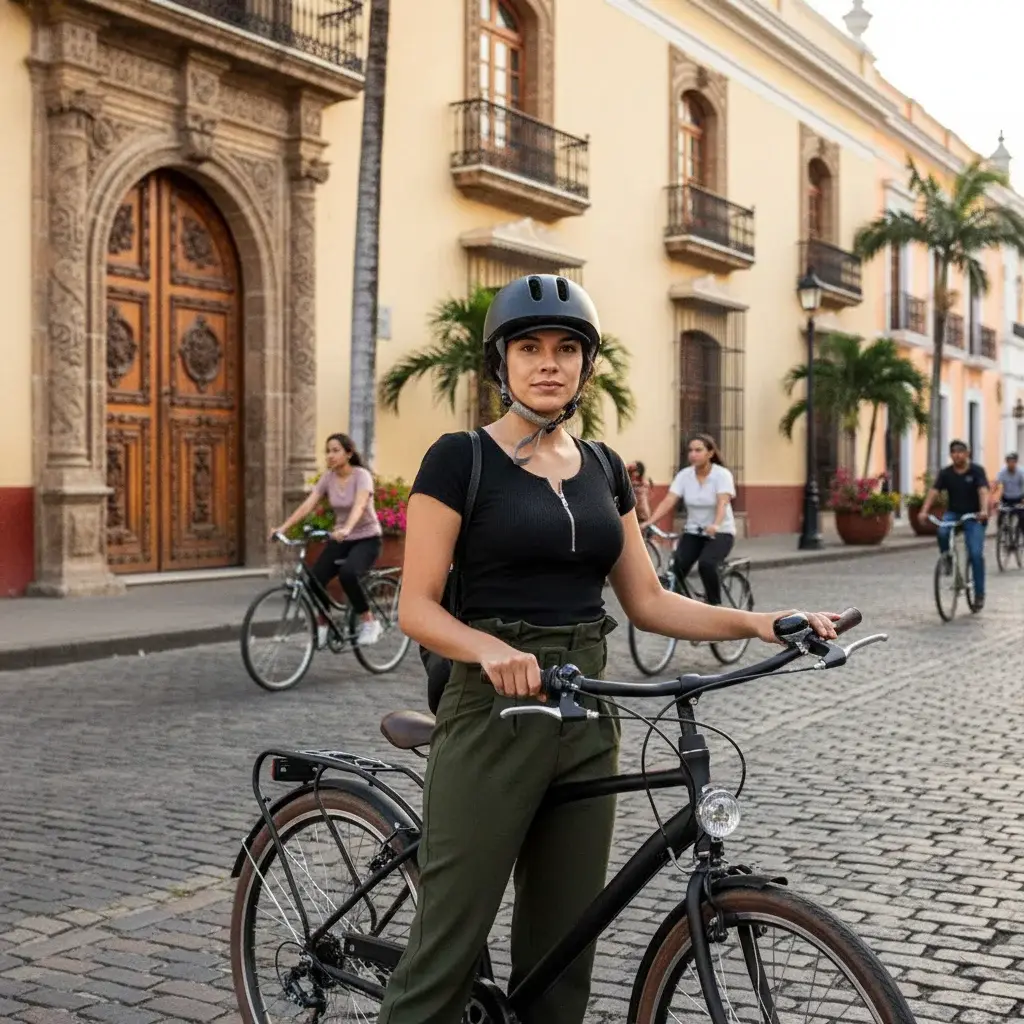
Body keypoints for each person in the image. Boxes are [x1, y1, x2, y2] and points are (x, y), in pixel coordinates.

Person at [377, 273, 839, 1024]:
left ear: (587, 366)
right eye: (529, 347)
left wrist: (765, 621)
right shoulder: (459, 460)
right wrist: (490, 649)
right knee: (444, 958)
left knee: (564, 954)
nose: (548, 363)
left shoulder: (601, 469)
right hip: (492, 710)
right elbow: (416, 607)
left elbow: (650, 602)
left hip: (587, 712)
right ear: (502, 363)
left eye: (566, 348)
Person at [271, 433, 383, 646]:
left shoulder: (362, 476)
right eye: (327, 451)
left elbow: (360, 505)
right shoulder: (328, 478)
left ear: (348, 453)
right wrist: (282, 528)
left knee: (348, 573)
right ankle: (323, 626)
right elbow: (307, 505)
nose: (330, 456)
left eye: (335, 450)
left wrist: (348, 528)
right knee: (315, 579)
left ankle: (369, 621)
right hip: (341, 539)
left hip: (367, 538)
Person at [639, 433, 737, 606]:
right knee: (676, 570)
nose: (693, 454)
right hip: (693, 531)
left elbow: (723, 502)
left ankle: (714, 606)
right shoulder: (685, 475)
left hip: (720, 532)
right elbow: (669, 500)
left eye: (698, 450)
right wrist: (650, 521)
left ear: (710, 453)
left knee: (707, 564)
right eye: (690, 450)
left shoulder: (722, 475)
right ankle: (681, 610)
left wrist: (716, 524)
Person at [921, 439, 990, 610]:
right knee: (942, 532)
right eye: (953, 452)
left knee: (975, 553)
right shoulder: (946, 473)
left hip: (974, 515)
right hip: (953, 513)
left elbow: (983, 490)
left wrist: (983, 510)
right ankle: (948, 559)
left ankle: (979, 594)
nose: (957, 455)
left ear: (967, 453)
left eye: (960, 451)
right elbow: (934, 491)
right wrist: (924, 510)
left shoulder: (976, 471)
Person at [991, 451, 1024, 535]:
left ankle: (1020, 532)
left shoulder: (1021, 472)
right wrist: (993, 498)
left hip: (1019, 498)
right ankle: (1001, 532)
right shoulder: (1002, 472)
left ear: (1016, 462)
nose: (1010, 464)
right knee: (1000, 516)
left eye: (1013, 461)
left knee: (1022, 517)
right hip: (1006, 498)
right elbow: (996, 484)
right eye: (1008, 461)